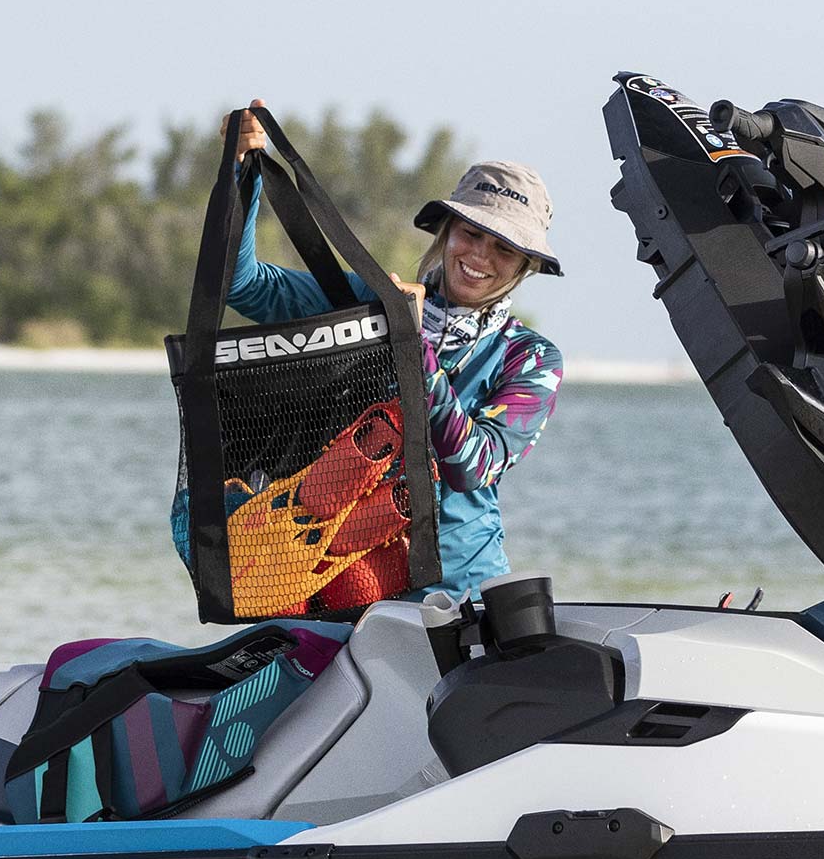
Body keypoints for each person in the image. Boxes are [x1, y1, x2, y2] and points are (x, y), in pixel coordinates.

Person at [216, 101, 564, 597]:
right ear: (447, 232)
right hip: (335, 570)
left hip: (457, 588)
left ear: (525, 266)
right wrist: (242, 175)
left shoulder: (530, 359)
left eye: (505, 248)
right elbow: (241, 285)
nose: (481, 256)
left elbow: (470, 465)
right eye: (471, 233)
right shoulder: (370, 299)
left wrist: (410, 340)